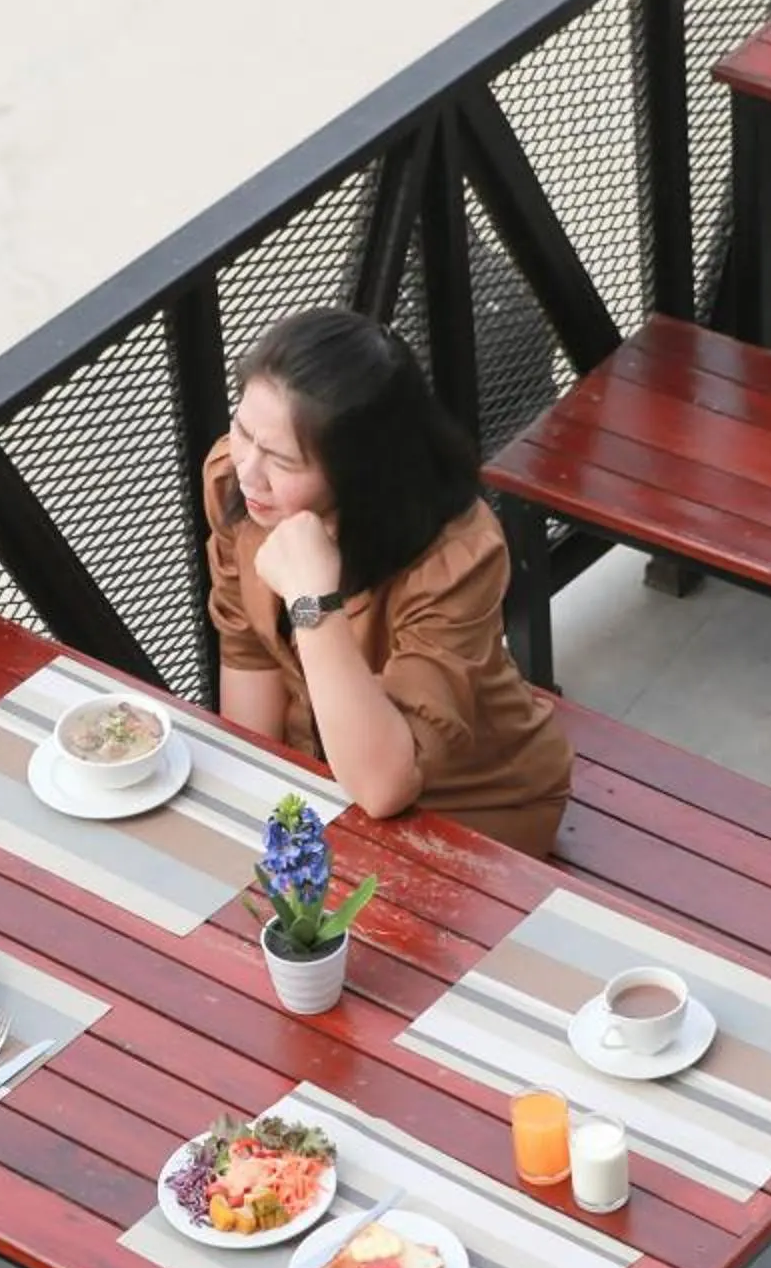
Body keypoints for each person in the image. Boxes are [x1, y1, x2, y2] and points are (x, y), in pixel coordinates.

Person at [204, 306, 572, 858]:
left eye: (282, 457)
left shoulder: (458, 555)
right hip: (327, 784)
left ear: (356, 469)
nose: (249, 469)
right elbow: (248, 668)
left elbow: (384, 785)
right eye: (242, 430)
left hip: (469, 803)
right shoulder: (239, 484)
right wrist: (260, 824)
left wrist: (312, 603)